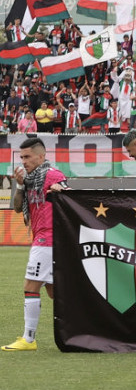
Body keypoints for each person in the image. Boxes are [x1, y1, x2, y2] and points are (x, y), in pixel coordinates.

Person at [3, 137, 68, 352]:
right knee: (53, 291)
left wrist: (62, 190)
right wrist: (20, 185)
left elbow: (69, 199)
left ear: (41, 156)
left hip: (48, 239)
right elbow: (17, 208)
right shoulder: (29, 180)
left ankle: (28, 339)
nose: (23, 161)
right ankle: (91, 325)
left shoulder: (53, 175)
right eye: (21, 157)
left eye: (28, 157)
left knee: (30, 286)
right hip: (42, 238)